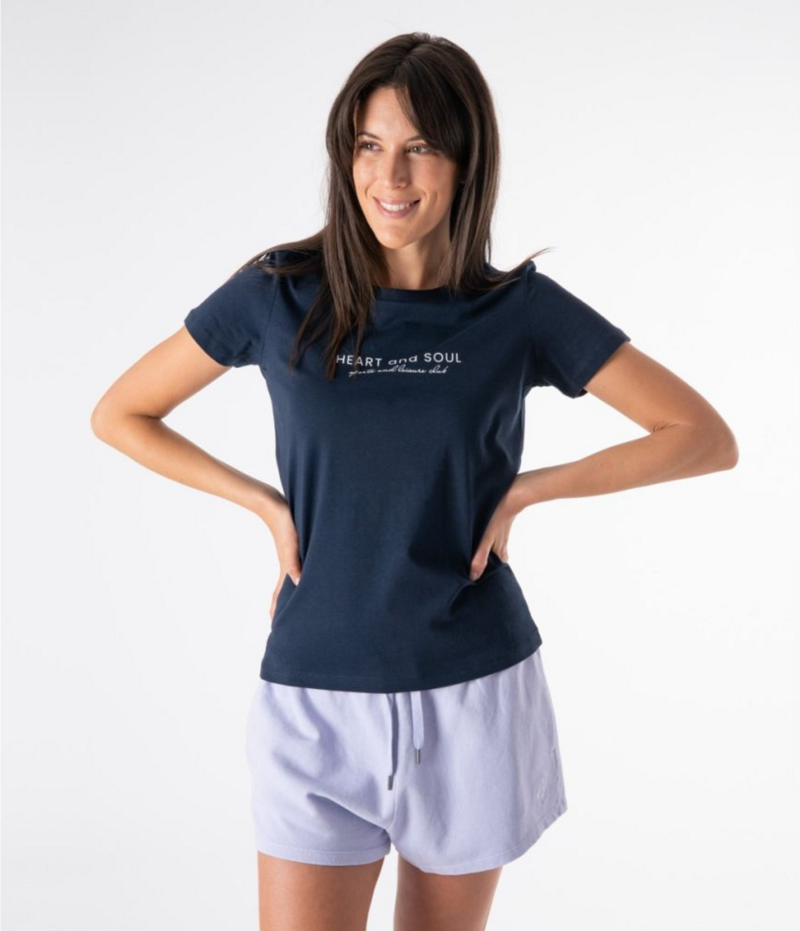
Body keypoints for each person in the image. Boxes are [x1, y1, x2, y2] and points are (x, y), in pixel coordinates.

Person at [91, 31, 739, 931]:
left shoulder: (516, 311)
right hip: (314, 696)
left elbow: (703, 436)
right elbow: (121, 412)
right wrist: (265, 505)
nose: (390, 175)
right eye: (369, 145)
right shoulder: (277, 294)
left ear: (466, 160)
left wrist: (529, 489)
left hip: (472, 691)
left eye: (421, 146)